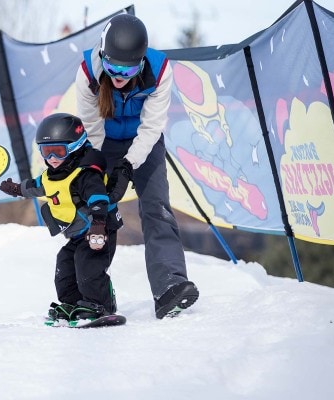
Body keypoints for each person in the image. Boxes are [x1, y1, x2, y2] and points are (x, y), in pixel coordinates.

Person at [75, 13, 199, 319]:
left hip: (145, 142)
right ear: (102, 56)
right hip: (103, 142)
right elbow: (92, 132)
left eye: (128, 68)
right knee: (96, 211)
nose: (118, 75)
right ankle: (91, 296)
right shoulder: (88, 74)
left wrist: (128, 166)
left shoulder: (160, 70)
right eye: (112, 66)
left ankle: (169, 284)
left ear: (141, 62)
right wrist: (102, 173)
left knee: (156, 207)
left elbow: (151, 127)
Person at [0, 113, 123, 326]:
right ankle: (74, 303)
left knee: (88, 264)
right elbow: (36, 186)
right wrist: (17, 189)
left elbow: (98, 199)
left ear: (75, 147)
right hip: (78, 233)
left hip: (98, 230)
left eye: (59, 151)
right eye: (46, 152)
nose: (53, 158)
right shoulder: (52, 174)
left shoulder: (85, 174)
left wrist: (99, 225)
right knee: (64, 264)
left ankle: (99, 304)